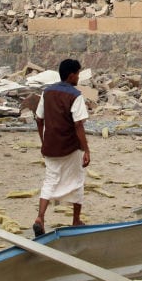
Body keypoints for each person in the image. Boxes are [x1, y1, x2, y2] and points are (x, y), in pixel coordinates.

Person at [33, 58, 90, 236]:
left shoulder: (47, 93)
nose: (78, 77)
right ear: (72, 75)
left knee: (50, 181)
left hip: (50, 145)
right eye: (78, 74)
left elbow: (39, 119)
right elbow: (78, 125)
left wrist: (43, 141)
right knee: (77, 181)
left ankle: (40, 217)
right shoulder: (75, 95)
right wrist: (86, 149)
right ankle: (75, 220)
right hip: (70, 146)